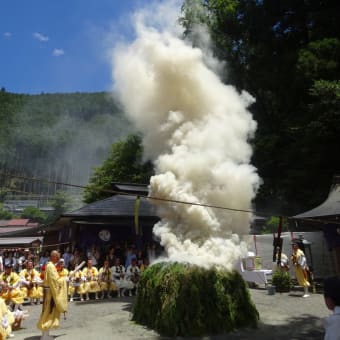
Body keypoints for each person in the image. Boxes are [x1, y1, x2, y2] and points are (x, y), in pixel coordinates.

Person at [36, 250, 68, 340]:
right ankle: (45, 335)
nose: (58, 259)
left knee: (48, 312)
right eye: (57, 257)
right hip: (50, 294)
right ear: (53, 257)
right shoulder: (50, 266)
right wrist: (64, 279)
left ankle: (46, 334)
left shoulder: (50, 266)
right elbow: (56, 281)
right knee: (48, 312)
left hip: (49, 292)